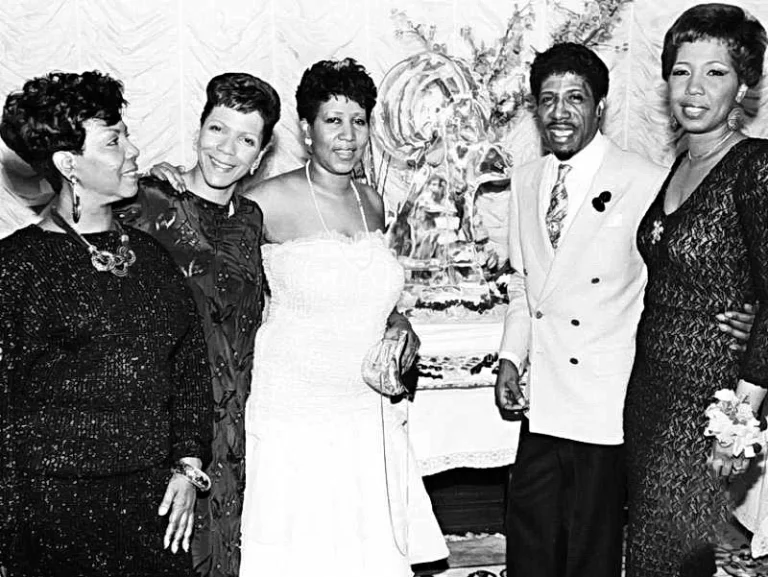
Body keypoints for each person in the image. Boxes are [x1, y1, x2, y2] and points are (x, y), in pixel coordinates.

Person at [494, 42, 754, 577]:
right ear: (535, 109)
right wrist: (509, 359)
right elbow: (523, 285)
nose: (560, 112)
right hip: (544, 391)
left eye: (575, 98)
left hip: (607, 393)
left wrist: (743, 314)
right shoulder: (524, 181)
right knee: (531, 538)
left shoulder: (646, 177)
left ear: (600, 106)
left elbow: (685, 266)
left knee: (594, 541)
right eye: (548, 99)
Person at [237, 57, 448, 576]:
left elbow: (374, 292)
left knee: (364, 550)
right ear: (306, 130)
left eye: (358, 121)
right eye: (333, 120)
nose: (348, 135)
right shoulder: (264, 201)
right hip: (295, 406)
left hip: (362, 405)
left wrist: (399, 322)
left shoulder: (372, 201)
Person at [0, 71, 212, 576]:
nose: (133, 150)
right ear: (68, 163)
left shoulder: (150, 256)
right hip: (53, 512)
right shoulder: (18, 267)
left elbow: (188, 368)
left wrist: (188, 466)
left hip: (155, 504)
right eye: (114, 140)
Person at [114, 72, 280, 577]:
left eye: (245, 139)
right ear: (199, 129)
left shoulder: (252, 218)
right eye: (217, 130)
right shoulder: (147, 202)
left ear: (262, 153)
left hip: (238, 426)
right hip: (168, 422)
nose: (226, 150)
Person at [624, 5, 768, 575]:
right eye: (682, 71)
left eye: (715, 72)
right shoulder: (681, 162)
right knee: (651, 548)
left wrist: (738, 421)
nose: (694, 89)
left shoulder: (754, 166)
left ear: (743, 85)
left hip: (707, 400)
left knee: (675, 554)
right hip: (651, 391)